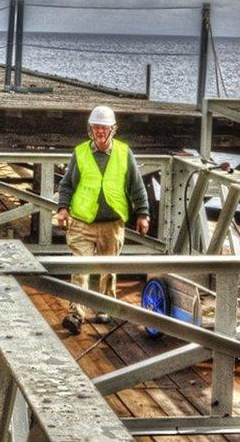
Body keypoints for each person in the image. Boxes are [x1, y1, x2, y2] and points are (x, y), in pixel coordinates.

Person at [56, 105, 150, 336]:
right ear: (90, 129)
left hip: (112, 222)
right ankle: (75, 314)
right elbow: (67, 184)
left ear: (113, 130)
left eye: (104, 128)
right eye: (96, 127)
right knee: (80, 267)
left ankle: (104, 307)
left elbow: (137, 186)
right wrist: (62, 209)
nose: (99, 132)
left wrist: (143, 213)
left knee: (109, 268)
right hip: (82, 220)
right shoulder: (79, 153)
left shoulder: (124, 153)